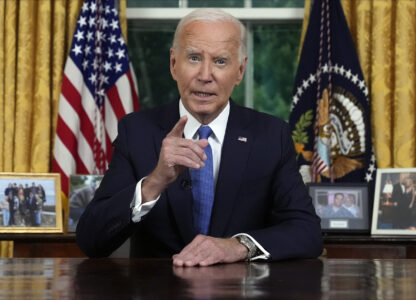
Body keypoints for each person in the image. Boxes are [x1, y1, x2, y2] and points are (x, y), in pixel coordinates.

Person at [76, 8, 322, 266]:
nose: (205, 76)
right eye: (194, 58)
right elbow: (91, 240)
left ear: (240, 70)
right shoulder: (137, 131)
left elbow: (307, 232)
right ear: (173, 64)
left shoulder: (272, 135)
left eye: (220, 62)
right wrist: (154, 182)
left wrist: (238, 246)